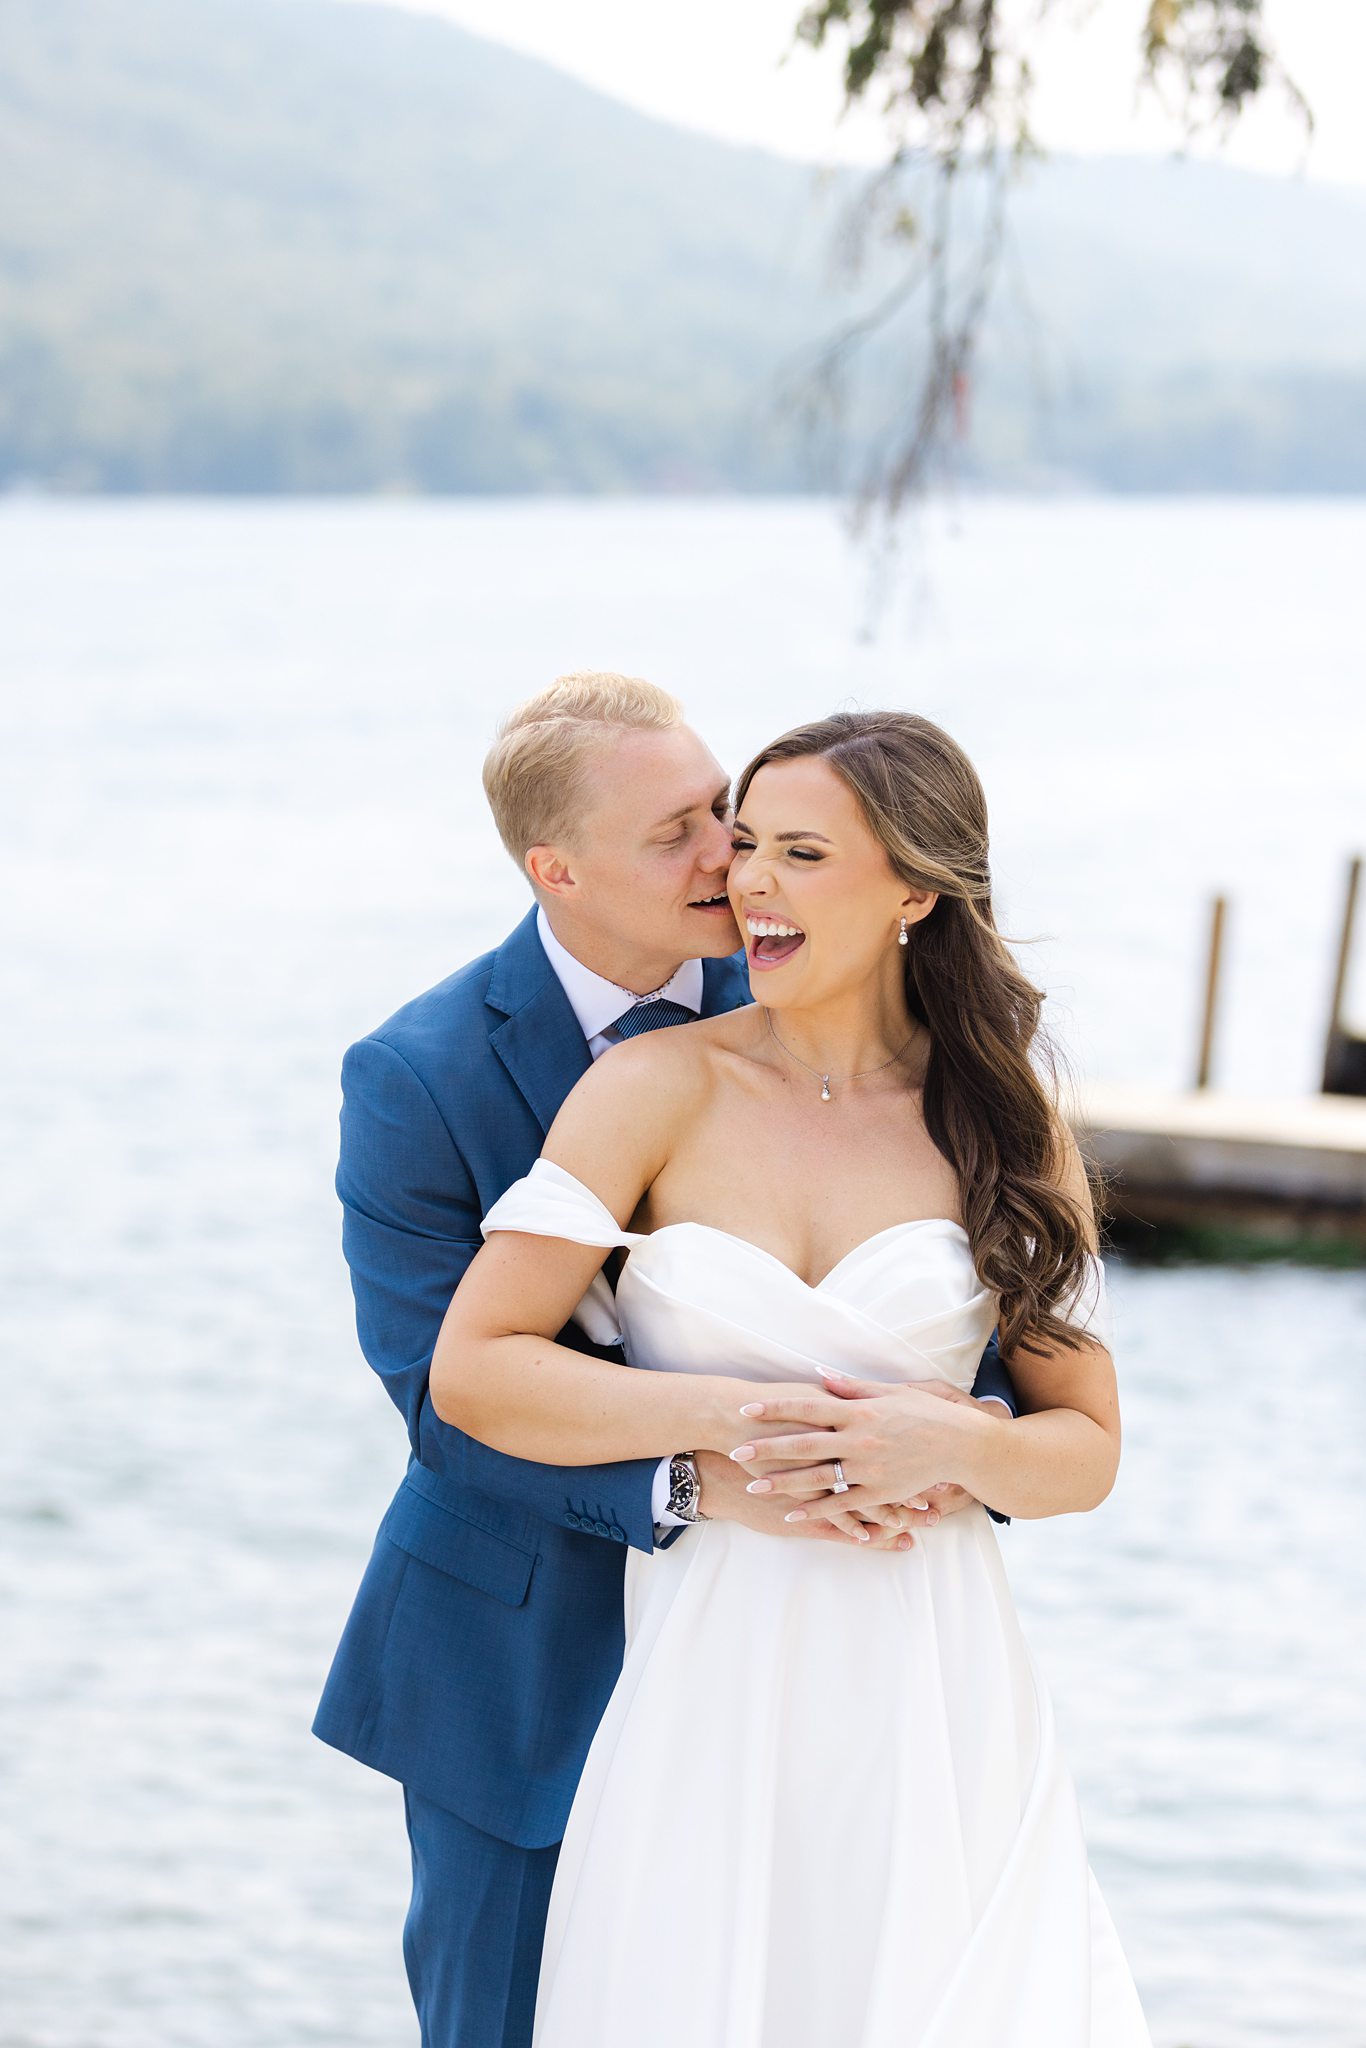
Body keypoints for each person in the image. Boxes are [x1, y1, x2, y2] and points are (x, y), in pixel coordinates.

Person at [313, 676, 1021, 2048]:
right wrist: (712, 1477)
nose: (731, 859)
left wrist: (935, 1456)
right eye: (679, 834)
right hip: (521, 1658)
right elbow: (442, 1407)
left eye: (726, 812)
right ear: (555, 870)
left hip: (812, 1658)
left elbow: (972, 1349)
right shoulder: (417, 1072)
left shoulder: (823, 1002)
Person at [432, 708, 1152, 2047]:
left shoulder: (999, 1114)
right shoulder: (649, 1089)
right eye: (743, 840)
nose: (745, 879)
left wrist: (950, 1442)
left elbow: (1085, 1449)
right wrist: (746, 1425)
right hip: (709, 1674)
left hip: (935, 1692)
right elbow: (477, 1370)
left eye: (799, 852)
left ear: (915, 892)